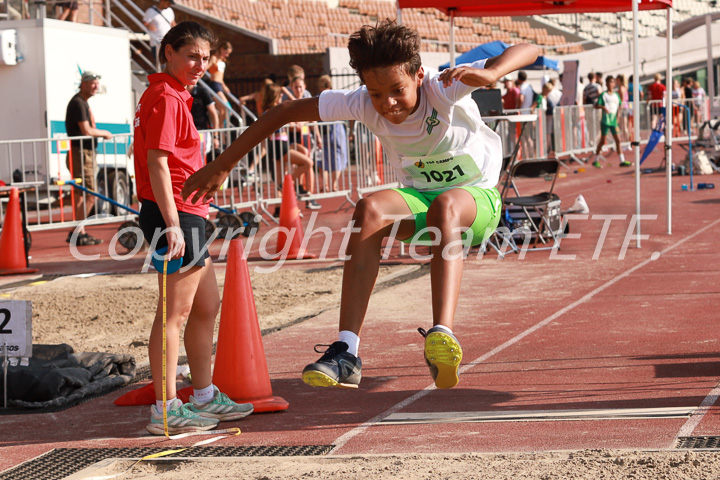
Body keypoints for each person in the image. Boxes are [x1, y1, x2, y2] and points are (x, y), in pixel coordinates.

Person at [182, 20, 539, 390]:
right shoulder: (361, 102)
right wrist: (222, 165)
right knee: (369, 210)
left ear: (419, 76)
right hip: (421, 203)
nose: (387, 104)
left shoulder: (443, 87)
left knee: (445, 205)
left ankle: (441, 336)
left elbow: (529, 48)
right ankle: (346, 351)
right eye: (376, 93)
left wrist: (493, 72)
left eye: (397, 91)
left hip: (476, 201)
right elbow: (281, 114)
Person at [133, 21, 253, 435]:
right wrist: (173, 223)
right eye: (191, 56)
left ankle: (202, 395)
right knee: (174, 314)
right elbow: (157, 162)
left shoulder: (175, 95)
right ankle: (165, 408)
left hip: (190, 211)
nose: (200, 65)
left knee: (205, 306)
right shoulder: (165, 96)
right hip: (176, 214)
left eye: (205, 58)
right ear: (168, 52)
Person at [65, 70, 113, 247]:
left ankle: (78, 231)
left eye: (97, 84)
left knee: (81, 194)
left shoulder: (81, 102)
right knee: (89, 194)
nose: (95, 87)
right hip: (81, 153)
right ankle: (78, 231)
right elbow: (86, 130)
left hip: (83, 153)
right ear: (83, 84)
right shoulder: (78, 103)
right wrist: (105, 133)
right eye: (92, 83)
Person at [261, 83, 320, 210]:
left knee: (278, 177)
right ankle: (288, 183)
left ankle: (279, 208)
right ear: (275, 96)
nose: (282, 96)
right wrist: (297, 124)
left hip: (275, 145)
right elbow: (292, 122)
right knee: (307, 163)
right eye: (280, 94)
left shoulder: (267, 111)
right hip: (279, 145)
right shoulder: (277, 110)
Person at [316, 75, 348, 192]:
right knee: (338, 156)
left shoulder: (318, 98)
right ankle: (333, 184)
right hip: (336, 129)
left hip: (323, 130)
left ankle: (325, 185)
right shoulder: (336, 97)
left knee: (322, 158)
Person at [592, 76, 630, 168]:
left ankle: (622, 160)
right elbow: (596, 105)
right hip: (605, 121)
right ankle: (596, 160)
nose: (610, 84)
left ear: (614, 84)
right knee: (603, 141)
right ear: (606, 84)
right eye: (608, 82)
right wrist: (603, 107)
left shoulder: (616, 95)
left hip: (613, 121)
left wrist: (618, 116)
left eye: (612, 82)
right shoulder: (603, 95)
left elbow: (619, 106)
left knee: (618, 139)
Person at [187, 83, 220, 161]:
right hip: (185, 133)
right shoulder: (179, 91)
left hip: (201, 131)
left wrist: (215, 136)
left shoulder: (202, 91)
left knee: (201, 158)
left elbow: (214, 114)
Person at [207, 41, 233, 126]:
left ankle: (218, 131)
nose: (227, 55)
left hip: (219, 85)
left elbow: (220, 77)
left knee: (223, 111)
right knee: (227, 109)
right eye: (226, 52)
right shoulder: (214, 58)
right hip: (214, 85)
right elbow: (206, 68)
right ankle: (217, 129)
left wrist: (225, 86)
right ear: (221, 49)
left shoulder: (222, 60)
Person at [142, 0, 176, 66]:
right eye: (168, 3)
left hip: (169, 42)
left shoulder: (170, 10)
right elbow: (145, 23)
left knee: (170, 64)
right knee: (162, 64)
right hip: (157, 43)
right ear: (163, 1)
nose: (170, 5)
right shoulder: (150, 11)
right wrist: (149, 26)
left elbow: (173, 23)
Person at [615, 74, 630, 145]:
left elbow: (622, 100)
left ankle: (627, 142)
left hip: (623, 108)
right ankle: (626, 142)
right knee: (623, 126)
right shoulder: (624, 87)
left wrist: (619, 111)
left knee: (623, 126)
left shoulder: (621, 88)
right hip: (625, 107)